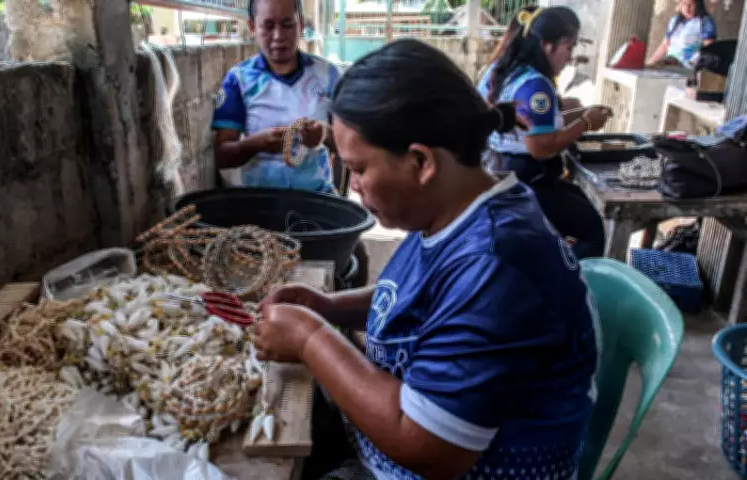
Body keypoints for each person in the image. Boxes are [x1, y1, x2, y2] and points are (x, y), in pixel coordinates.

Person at [255, 38, 601, 480]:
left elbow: (424, 443)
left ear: (420, 162)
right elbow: (423, 298)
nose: (354, 185)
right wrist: (330, 307)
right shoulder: (454, 211)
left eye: (358, 169)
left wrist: (309, 338)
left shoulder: (497, 263)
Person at [477, 6, 610, 260]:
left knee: (579, 205)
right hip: (528, 179)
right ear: (548, 46)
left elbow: (543, 124)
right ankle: (570, 284)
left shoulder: (512, 72)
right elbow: (540, 146)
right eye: (568, 48)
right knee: (592, 229)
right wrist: (584, 122)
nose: (570, 58)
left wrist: (582, 116)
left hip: (503, 170)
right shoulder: (536, 85)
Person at [211, 0, 340, 193]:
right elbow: (222, 156)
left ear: (301, 24)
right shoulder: (239, 80)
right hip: (261, 203)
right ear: (252, 26)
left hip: (318, 199)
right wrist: (254, 145)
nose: (279, 36)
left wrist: (325, 134)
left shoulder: (328, 75)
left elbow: (355, 144)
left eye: (288, 24)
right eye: (268, 25)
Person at [646, 0, 716, 69]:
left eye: (691, 4)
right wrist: (650, 63)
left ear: (698, 4)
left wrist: (694, 65)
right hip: (670, 61)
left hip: (687, 65)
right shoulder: (674, 21)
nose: (687, 7)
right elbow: (664, 45)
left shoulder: (704, 21)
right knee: (651, 70)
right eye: (684, 3)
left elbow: (709, 49)